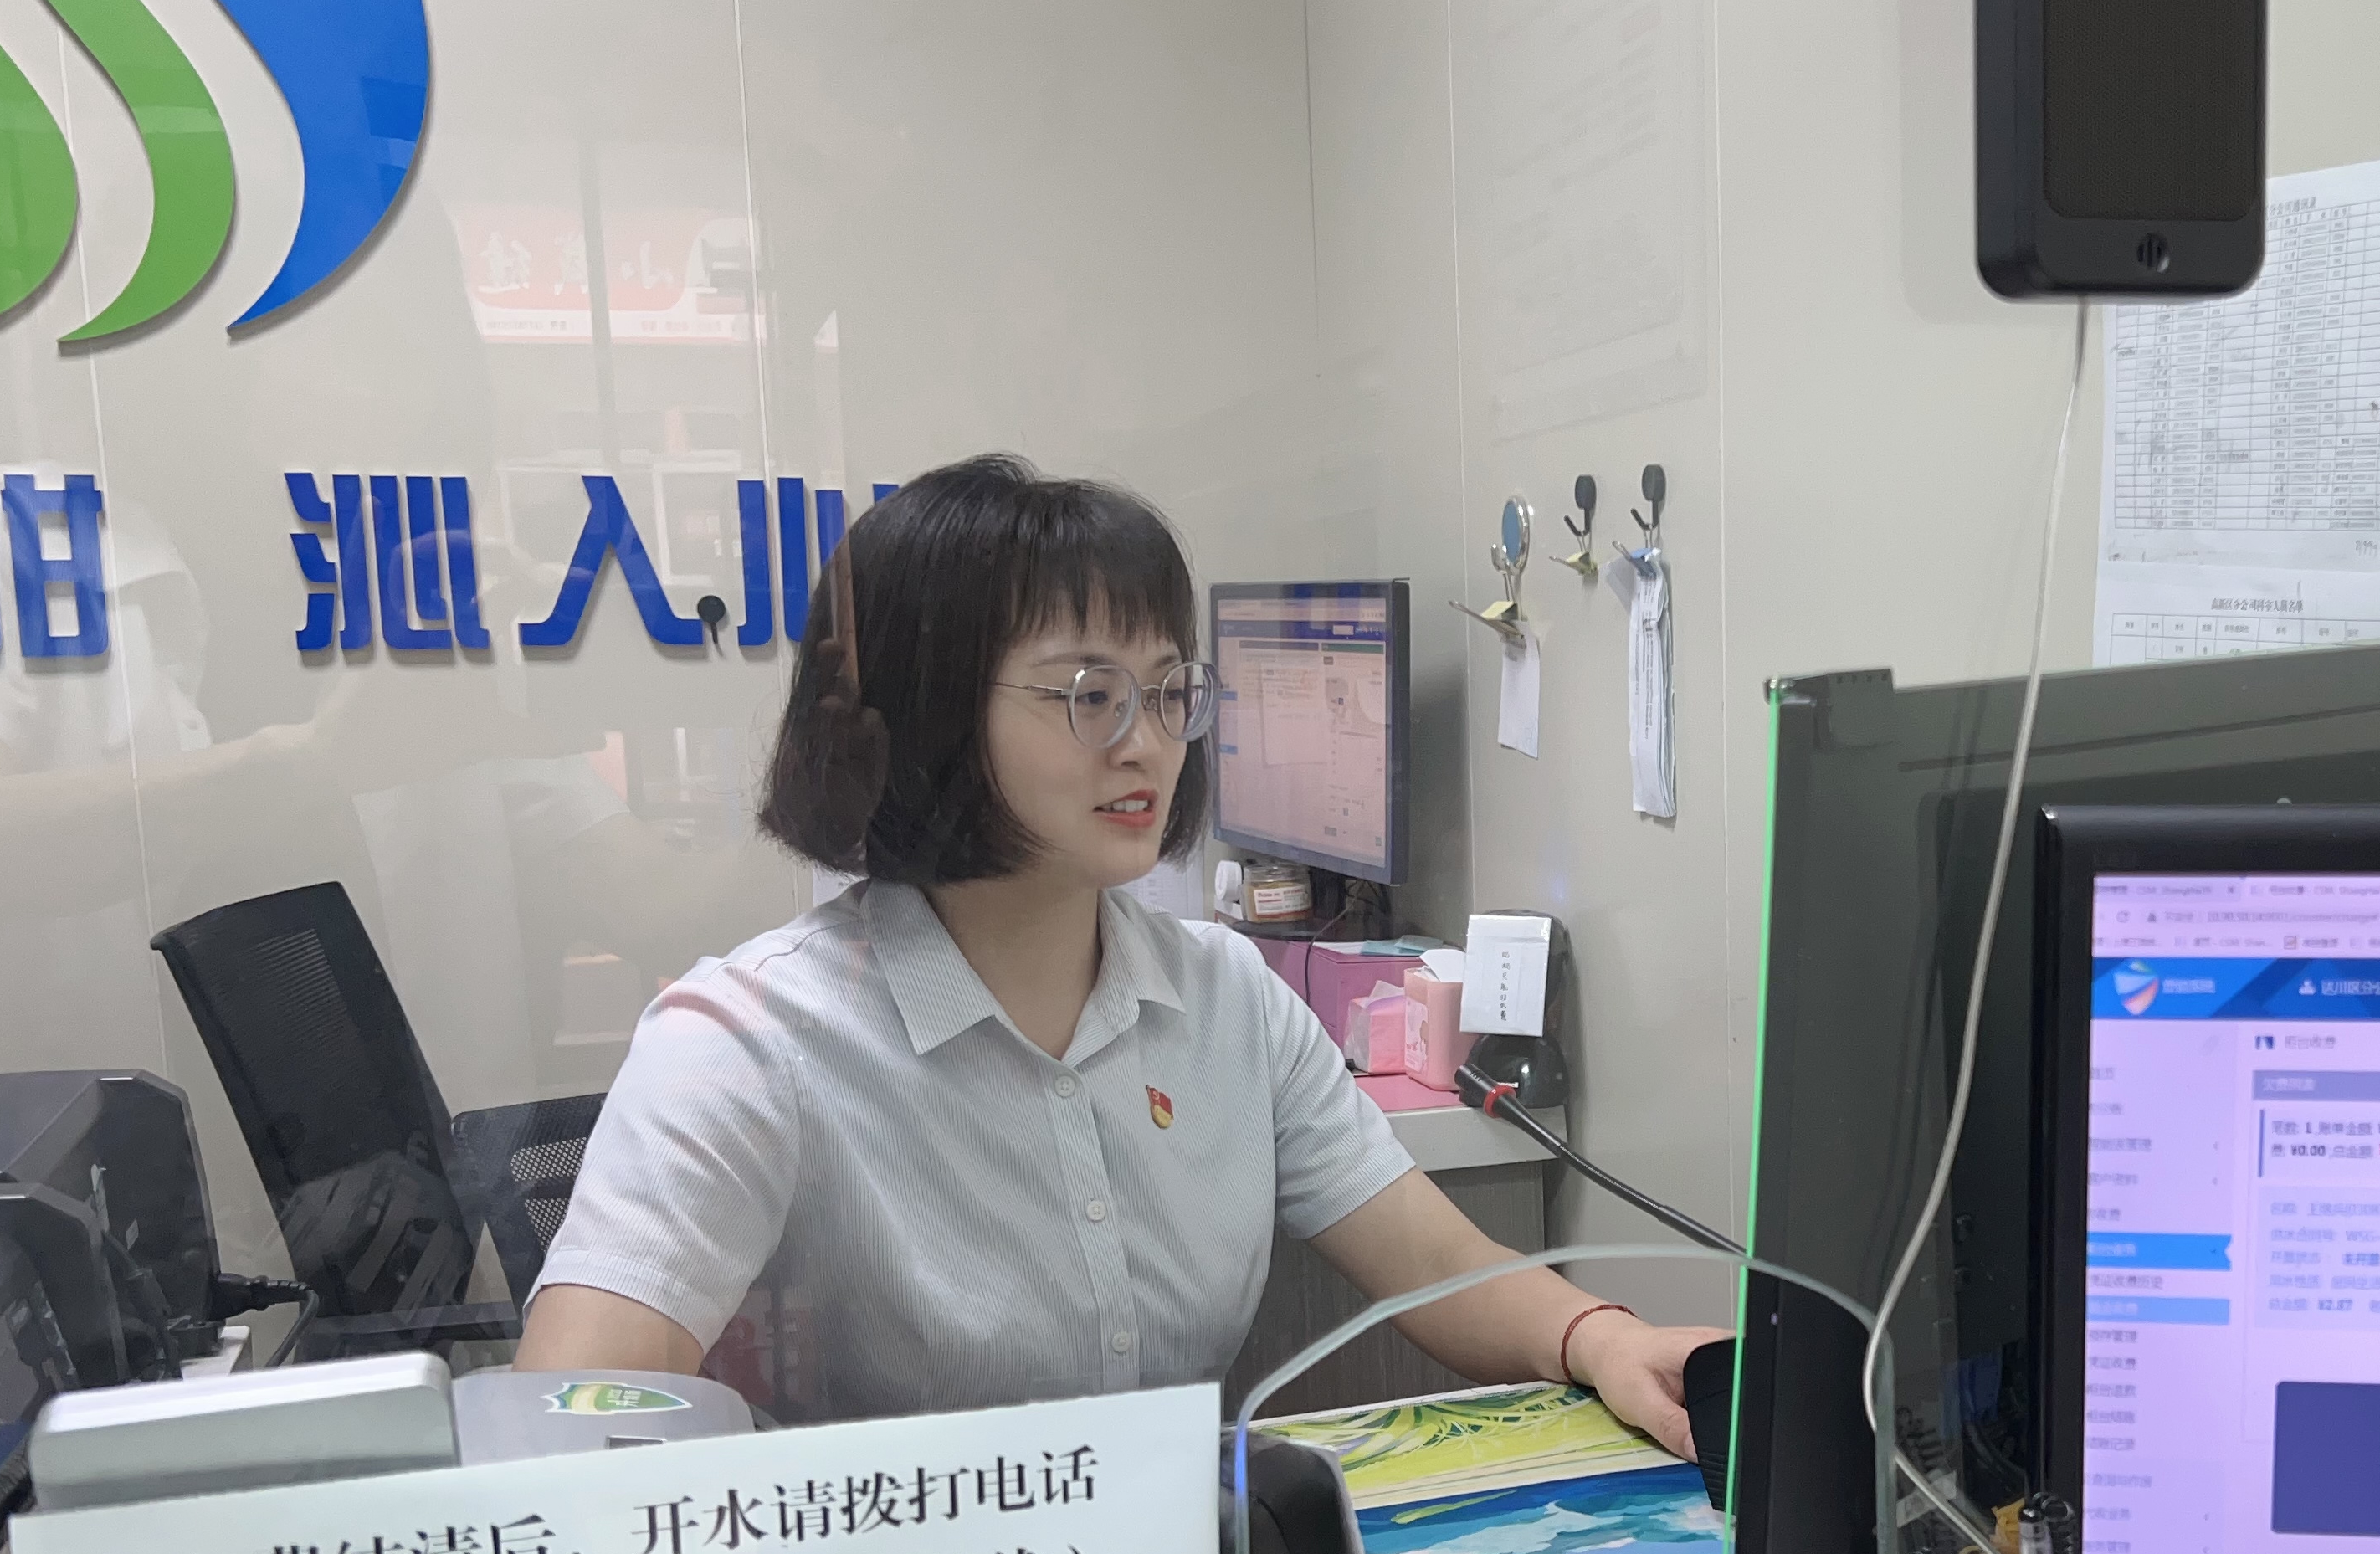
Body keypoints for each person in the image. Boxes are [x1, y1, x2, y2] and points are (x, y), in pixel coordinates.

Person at [518, 454, 1719, 1454]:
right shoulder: (747, 1046)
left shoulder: (1225, 998)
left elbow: (1431, 1256)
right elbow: (571, 1426)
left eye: (1167, 689)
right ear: (929, 712)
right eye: (1090, 694)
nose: (1148, 743)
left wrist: (1603, 1340)